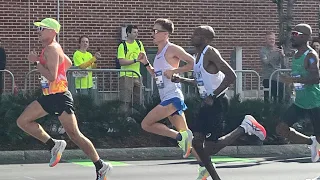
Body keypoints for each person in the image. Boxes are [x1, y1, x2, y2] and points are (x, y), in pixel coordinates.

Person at [16, 18, 112, 180]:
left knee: (75, 134)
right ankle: (54, 144)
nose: (38, 32)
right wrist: (52, 68)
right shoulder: (53, 48)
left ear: (53, 32)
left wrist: (36, 63)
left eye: (42, 29)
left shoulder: (51, 49)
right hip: (50, 96)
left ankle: (101, 166)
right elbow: (67, 63)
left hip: (60, 97)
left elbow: (52, 76)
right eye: (38, 29)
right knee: (23, 121)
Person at [172, 25, 267, 180]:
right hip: (206, 104)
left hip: (218, 103)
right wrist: (181, 79)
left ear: (205, 39)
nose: (192, 35)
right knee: (196, 143)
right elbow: (200, 82)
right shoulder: (198, 55)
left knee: (210, 148)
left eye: (196, 34)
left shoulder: (210, 52)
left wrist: (213, 96)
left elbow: (231, 75)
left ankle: (245, 126)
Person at [137, 18, 195, 162]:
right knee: (189, 140)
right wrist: (145, 63)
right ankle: (204, 168)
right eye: (153, 31)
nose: (153, 34)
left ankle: (179, 137)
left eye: (156, 31)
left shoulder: (172, 49)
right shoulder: (158, 53)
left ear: (165, 34)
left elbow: (193, 63)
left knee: (146, 124)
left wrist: (176, 70)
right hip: (166, 97)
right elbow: (156, 74)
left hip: (173, 97)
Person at [278, 23, 320, 163]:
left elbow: (315, 78)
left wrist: (292, 79)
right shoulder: (296, 55)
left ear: (306, 37)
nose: (292, 37)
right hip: (300, 102)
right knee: (281, 129)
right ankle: (310, 141)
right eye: (292, 33)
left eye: (296, 34)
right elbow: (299, 78)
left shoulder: (311, 55)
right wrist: (292, 82)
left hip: (316, 102)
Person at [117, 25, 145, 111]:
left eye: (137, 32)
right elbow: (121, 61)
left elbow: (143, 57)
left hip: (137, 75)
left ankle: (137, 118)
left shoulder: (139, 44)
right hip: (126, 76)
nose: (136, 34)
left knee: (139, 99)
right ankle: (124, 119)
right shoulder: (122, 46)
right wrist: (135, 60)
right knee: (125, 100)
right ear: (128, 33)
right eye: (134, 32)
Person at [260, 32, 286, 102]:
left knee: (279, 99)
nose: (272, 41)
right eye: (270, 39)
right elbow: (265, 62)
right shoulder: (263, 50)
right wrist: (273, 53)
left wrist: (282, 55)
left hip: (278, 77)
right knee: (268, 99)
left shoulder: (278, 49)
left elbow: (284, 65)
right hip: (268, 77)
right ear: (266, 40)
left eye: (273, 39)